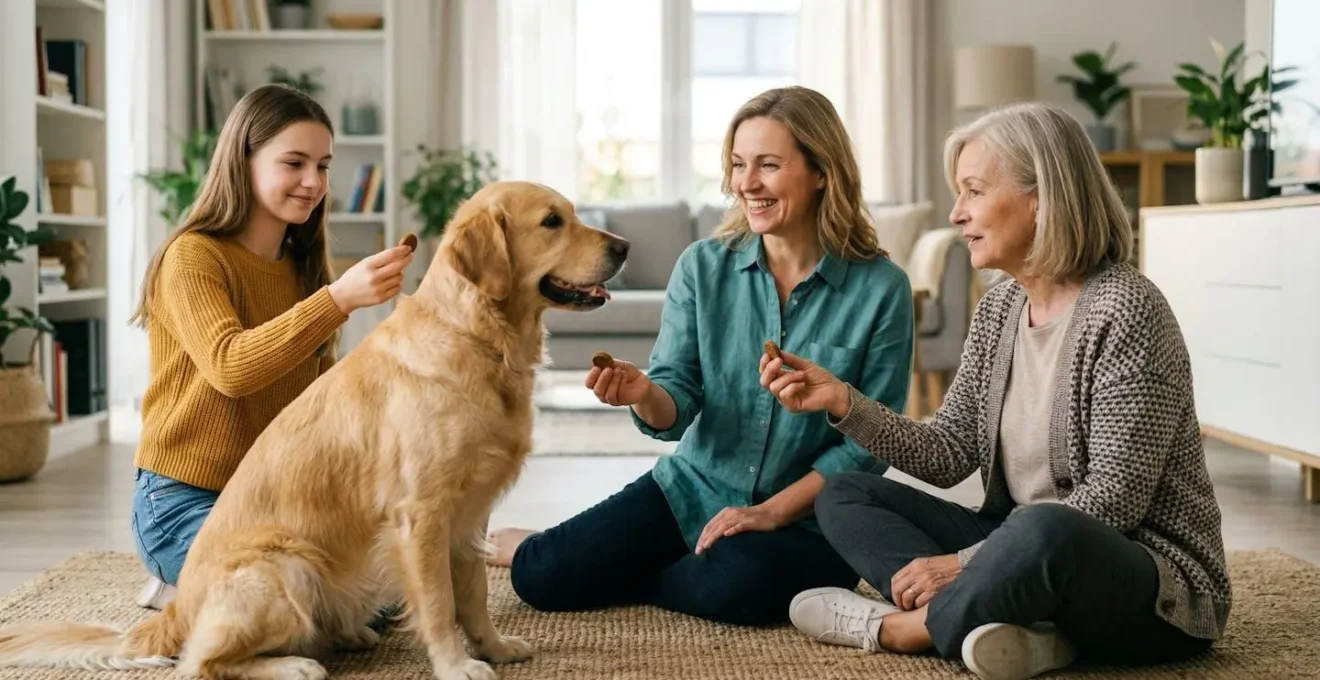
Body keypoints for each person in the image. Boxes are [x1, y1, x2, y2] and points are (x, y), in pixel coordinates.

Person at [765, 101, 1231, 680]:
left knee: (1045, 527)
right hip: (1025, 554)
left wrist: (961, 564)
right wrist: (843, 402)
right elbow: (947, 453)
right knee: (845, 494)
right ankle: (1021, 630)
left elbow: (1114, 502)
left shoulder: (1127, 310)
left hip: (1150, 583)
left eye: (974, 191)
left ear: (1042, 198)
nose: (957, 213)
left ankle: (902, 628)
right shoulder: (1001, 309)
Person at [485, 86, 914, 626]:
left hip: (807, 518)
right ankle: (613, 558)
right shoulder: (701, 267)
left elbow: (869, 443)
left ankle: (638, 568)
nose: (746, 184)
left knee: (738, 585)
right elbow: (674, 406)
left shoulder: (882, 288)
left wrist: (767, 512)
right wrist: (645, 393)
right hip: (693, 488)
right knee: (540, 576)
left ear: (821, 170)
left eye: (768, 165)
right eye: (737, 164)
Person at [129, 84, 414, 609]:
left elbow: (319, 399)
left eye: (323, 165)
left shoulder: (302, 268)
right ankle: (193, 593)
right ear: (244, 160)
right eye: (294, 163)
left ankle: (201, 595)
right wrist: (338, 300)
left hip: (276, 497)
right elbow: (230, 367)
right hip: (182, 499)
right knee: (295, 604)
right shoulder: (192, 257)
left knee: (390, 595)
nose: (314, 182)